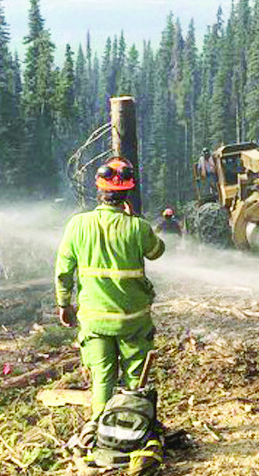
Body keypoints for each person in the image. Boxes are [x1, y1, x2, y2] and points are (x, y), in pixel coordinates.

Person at [55, 156, 166, 438]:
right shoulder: (137, 227)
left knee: (102, 376)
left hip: (94, 320)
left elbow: (64, 271)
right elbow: (157, 251)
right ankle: (133, 431)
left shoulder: (77, 225)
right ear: (127, 193)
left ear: (98, 188)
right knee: (134, 378)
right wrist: (133, 219)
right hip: (133, 320)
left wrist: (64, 304)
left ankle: (98, 431)